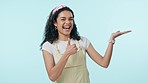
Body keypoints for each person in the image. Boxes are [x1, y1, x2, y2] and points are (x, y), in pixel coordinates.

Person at [40, 5, 131, 83]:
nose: (67, 22)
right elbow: (52, 77)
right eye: (63, 19)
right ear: (55, 23)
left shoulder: (82, 41)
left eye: (70, 19)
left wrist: (111, 40)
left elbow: (104, 63)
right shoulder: (48, 46)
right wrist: (67, 53)